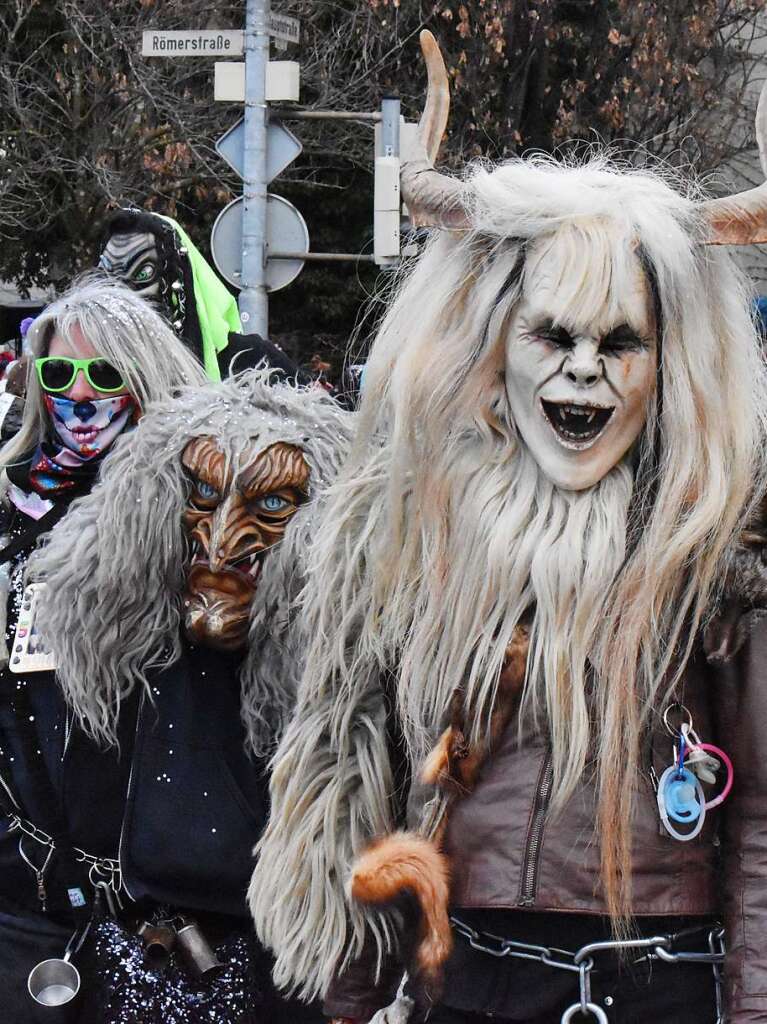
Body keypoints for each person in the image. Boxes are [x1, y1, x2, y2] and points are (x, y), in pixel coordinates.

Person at [249, 31, 767, 1024]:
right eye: (552, 336)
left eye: (617, 342)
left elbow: (759, 818)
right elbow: (359, 769)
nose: (582, 370)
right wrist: (347, 999)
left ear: (668, 364)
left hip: (654, 986)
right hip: (471, 980)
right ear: (499, 343)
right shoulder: (410, 532)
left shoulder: (716, 550)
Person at [25, 368, 352, 1022]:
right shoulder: (111, 622)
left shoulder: (343, 655)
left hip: (283, 951)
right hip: (129, 939)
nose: (224, 538)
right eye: (202, 494)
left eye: (269, 506)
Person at [0, 275, 207, 1021]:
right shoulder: (10, 510)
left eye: (105, 372)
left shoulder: (206, 512)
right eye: (59, 373)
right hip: (27, 894)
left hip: (173, 895)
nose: (81, 395)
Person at [99, 207, 311, 383]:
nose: (120, 293)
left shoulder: (249, 360)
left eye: (143, 273)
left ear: (180, 280)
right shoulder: (84, 368)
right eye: (107, 276)